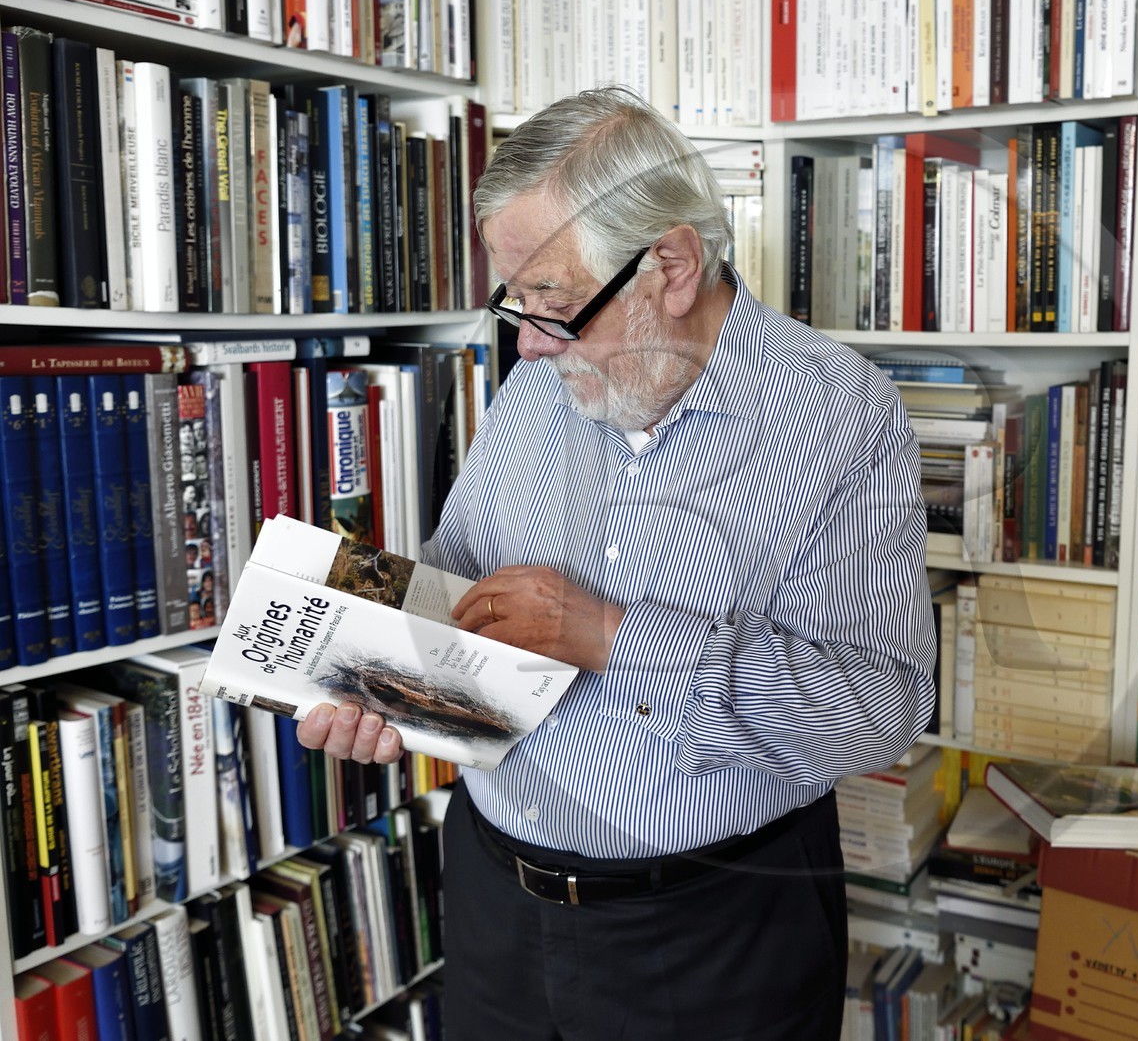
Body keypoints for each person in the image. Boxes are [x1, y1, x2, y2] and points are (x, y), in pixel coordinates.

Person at [297, 86, 936, 1039]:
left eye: (552, 303)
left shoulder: (842, 413)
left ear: (670, 266)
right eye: (517, 303)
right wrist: (377, 681)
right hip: (494, 902)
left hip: (714, 931)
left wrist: (607, 635)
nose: (527, 341)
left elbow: (878, 716)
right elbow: (457, 572)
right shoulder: (536, 384)